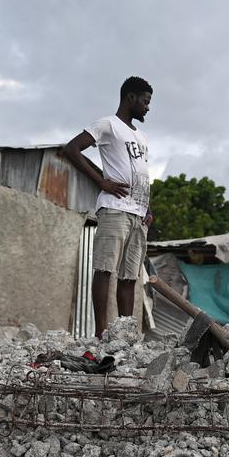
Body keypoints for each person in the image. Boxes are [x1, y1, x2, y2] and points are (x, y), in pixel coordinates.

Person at [61, 76, 155, 337]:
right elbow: (71, 149)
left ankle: (124, 335)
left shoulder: (143, 136)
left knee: (129, 278)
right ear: (131, 98)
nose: (148, 107)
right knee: (104, 270)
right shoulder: (108, 125)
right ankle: (101, 333)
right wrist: (102, 182)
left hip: (138, 215)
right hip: (114, 209)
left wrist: (147, 207)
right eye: (145, 102)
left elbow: (141, 173)